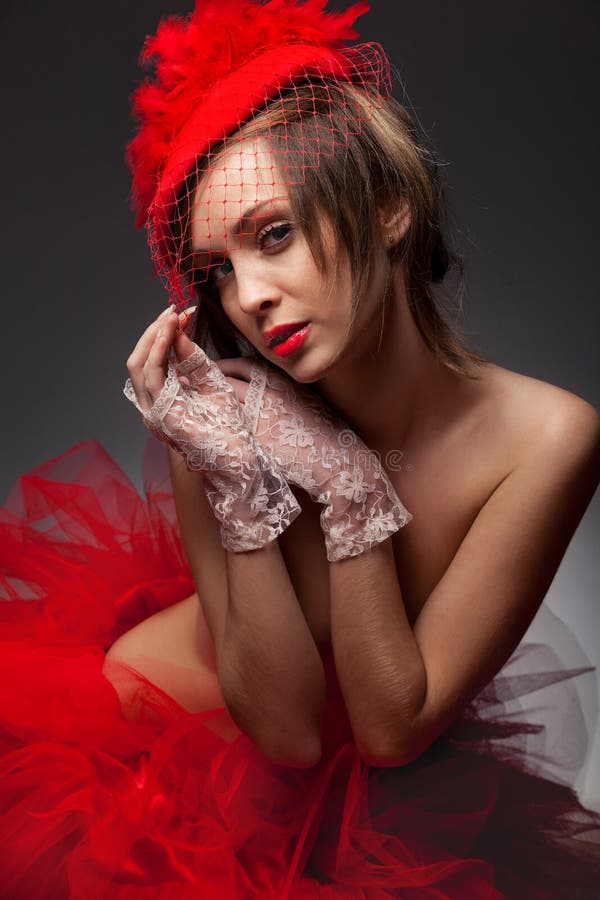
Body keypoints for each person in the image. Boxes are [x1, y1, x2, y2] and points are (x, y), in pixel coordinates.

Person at [1, 0, 599, 896]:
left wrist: (348, 483)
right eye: (222, 273)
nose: (251, 298)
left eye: (274, 235)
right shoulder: (220, 418)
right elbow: (282, 730)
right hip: (140, 770)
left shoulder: (548, 437)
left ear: (391, 205)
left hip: (372, 815)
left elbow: (393, 728)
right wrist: (242, 480)